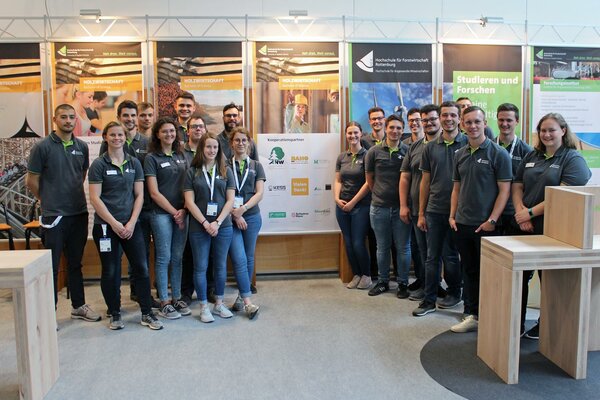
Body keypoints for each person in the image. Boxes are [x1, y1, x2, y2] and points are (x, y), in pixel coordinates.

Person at [513, 112, 591, 339]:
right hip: (523, 227)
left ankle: (546, 322)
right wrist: (520, 212)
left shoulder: (572, 159)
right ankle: (516, 322)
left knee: (548, 279)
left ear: (563, 131)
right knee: (520, 277)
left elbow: (563, 194)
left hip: (553, 229)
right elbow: (517, 184)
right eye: (543, 130)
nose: (546, 134)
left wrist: (528, 213)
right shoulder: (533, 155)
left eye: (552, 130)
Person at [26, 104, 101, 322]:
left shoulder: (82, 146)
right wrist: (46, 199)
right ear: (54, 119)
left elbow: (82, 173)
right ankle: (49, 313)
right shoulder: (42, 147)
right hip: (54, 215)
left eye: (71, 117)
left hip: (78, 212)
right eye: (64, 117)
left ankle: (78, 306)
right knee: (52, 264)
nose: (68, 121)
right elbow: (31, 180)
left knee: (75, 263)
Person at [88, 121, 162, 330]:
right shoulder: (99, 165)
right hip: (106, 227)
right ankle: (115, 313)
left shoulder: (134, 164)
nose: (117, 138)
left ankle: (147, 313)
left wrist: (129, 223)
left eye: (120, 135)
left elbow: (139, 196)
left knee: (142, 268)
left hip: (132, 226)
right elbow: (95, 198)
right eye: (112, 135)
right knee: (110, 271)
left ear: (125, 137)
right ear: (105, 137)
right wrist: (114, 224)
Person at [448, 106, 512, 333]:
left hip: (487, 226)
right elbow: (456, 188)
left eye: (477, 122)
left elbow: (505, 191)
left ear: (485, 123)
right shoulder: (459, 154)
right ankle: (472, 314)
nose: (473, 126)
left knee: (489, 273)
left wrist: (492, 220)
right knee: (470, 271)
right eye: (468, 122)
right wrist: (452, 215)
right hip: (462, 223)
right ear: (462, 125)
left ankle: (490, 316)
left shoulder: (498, 154)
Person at [413, 101, 466, 317]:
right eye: (444, 115)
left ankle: (455, 292)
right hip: (434, 210)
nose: (448, 119)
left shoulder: (467, 144)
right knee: (431, 257)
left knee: (451, 256)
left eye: (453, 115)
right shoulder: (430, 147)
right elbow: (425, 182)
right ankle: (429, 300)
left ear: (459, 118)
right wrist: (421, 212)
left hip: (459, 211)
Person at [184, 132, 236, 323]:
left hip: (223, 226)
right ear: (202, 149)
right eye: (208, 147)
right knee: (201, 266)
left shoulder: (226, 171)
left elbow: (230, 200)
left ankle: (219, 303)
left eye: (215, 147)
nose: (212, 150)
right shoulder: (192, 172)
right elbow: (189, 202)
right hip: (199, 227)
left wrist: (218, 222)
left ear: (219, 149)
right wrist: (206, 223)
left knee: (221, 266)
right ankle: (204, 306)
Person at [144, 117, 190, 320]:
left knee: (178, 256)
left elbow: (190, 185)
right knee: (164, 257)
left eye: (172, 131)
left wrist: (184, 211)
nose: (169, 134)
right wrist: (174, 212)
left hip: (183, 213)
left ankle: (177, 297)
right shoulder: (151, 158)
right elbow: (153, 193)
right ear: (157, 134)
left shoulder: (181, 155)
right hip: (162, 214)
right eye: (165, 131)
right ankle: (164, 300)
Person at [365, 115, 411, 298]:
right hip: (379, 208)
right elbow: (369, 179)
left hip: (402, 208)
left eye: (399, 128)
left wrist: (403, 204)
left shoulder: (408, 151)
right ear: (386, 128)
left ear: (402, 129)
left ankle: (403, 283)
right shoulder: (374, 152)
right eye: (392, 127)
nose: (395, 131)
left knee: (403, 248)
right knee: (382, 247)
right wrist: (379, 194)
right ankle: (383, 282)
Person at [227, 127, 263, 318]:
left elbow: (259, 193)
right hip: (230, 217)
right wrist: (235, 213)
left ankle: (242, 296)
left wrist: (243, 210)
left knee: (248, 257)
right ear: (231, 143)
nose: (240, 143)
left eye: (244, 140)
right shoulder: (224, 165)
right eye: (237, 140)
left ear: (249, 143)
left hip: (251, 216)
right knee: (238, 258)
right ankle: (244, 294)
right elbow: (220, 192)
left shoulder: (256, 166)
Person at [335, 121, 372, 289]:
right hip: (342, 206)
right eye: (349, 133)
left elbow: (368, 184)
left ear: (361, 133)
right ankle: (356, 274)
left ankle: (366, 275)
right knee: (348, 242)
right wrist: (337, 198)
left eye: (356, 132)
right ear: (346, 135)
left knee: (358, 242)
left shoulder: (368, 155)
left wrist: (352, 203)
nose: (353, 136)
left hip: (361, 206)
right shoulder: (342, 157)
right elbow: (337, 180)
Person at [181, 113, 208, 305]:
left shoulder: (211, 151)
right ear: (187, 130)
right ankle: (186, 292)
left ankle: (210, 290)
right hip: (185, 210)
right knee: (187, 253)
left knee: (211, 254)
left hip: (207, 211)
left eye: (200, 126)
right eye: (194, 126)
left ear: (205, 130)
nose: (197, 129)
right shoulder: (180, 152)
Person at [495, 103, 533, 234]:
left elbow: (528, 183)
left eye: (509, 120)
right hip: (490, 210)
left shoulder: (527, 151)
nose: (504, 124)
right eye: (501, 120)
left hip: (513, 210)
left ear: (517, 121)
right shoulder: (489, 147)